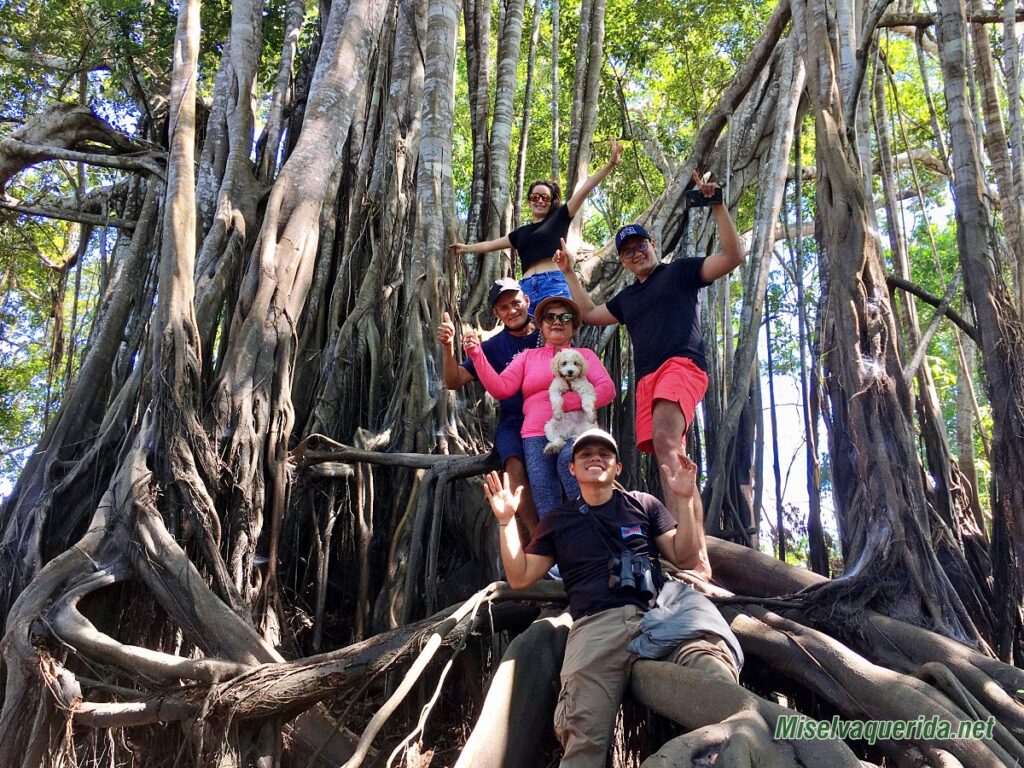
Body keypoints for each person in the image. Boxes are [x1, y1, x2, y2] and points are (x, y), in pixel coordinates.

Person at [482, 428, 740, 767]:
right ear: (571, 469)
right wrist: (506, 522)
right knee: (582, 738)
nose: (595, 457)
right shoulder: (558, 521)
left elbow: (685, 556)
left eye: (604, 454)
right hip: (596, 627)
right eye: (585, 453)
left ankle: (733, 747)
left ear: (618, 467)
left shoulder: (643, 504)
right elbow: (520, 576)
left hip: (661, 616)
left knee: (716, 676)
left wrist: (685, 498)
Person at [554, 171, 743, 511]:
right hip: (647, 381)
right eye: (627, 252)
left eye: (640, 245)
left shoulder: (680, 272)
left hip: (681, 366)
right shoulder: (627, 298)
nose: (635, 254)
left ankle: (693, 556)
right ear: (623, 261)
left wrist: (717, 205)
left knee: (668, 443)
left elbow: (732, 257)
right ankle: (686, 537)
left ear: (652, 245)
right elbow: (590, 313)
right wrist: (568, 271)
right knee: (667, 452)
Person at [464, 296, 615, 519]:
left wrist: (565, 404)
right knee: (544, 496)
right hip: (535, 434)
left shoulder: (584, 356)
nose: (557, 322)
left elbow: (607, 389)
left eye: (565, 317)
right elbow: (501, 388)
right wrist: (477, 355)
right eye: (549, 317)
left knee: (568, 460)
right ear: (541, 326)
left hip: (576, 430)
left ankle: (591, 529)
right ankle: (556, 547)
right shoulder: (527, 358)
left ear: (573, 326)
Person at [450, 139, 624, 306]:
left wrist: (611, 164)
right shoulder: (521, 233)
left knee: (558, 331)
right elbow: (491, 245)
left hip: (554, 282)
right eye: (535, 197)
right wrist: (465, 248)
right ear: (529, 201)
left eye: (545, 197)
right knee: (529, 335)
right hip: (524, 288)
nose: (540, 201)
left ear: (551, 200)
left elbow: (586, 188)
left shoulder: (560, 217)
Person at [437, 278, 541, 534]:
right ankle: (539, 537)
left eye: (516, 303)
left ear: (527, 301)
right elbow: (454, 381)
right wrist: (448, 347)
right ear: (496, 314)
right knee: (514, 465)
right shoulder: (492, 347)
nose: (512, 310)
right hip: (514, 420)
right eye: (504, 307)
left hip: (551, 415)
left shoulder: (548, 333)